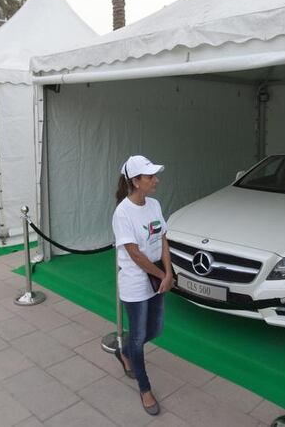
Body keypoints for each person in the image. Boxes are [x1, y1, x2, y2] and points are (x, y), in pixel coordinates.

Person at [112, 155, 173, 416]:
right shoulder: (122, 213)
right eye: (149, 177)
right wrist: (162, 274)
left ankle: (125, 351)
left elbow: (163, 240)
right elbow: (135, 254)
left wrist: (168, 273)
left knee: (154, 330)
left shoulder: (155, 205)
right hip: (136, 283)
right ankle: (145, 388)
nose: (155, 180)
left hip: (157, 276)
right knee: (138, 336)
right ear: (135, 182)